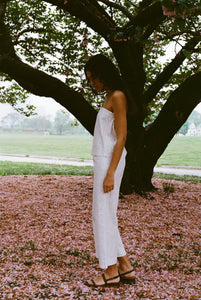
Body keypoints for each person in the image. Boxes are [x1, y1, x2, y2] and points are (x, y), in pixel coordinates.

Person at [84, 54, 135, 287]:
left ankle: (111, 270)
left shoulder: (118, 96)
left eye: (94, 78)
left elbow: (122, 135)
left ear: (104, 74)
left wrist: (110, 172)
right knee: (106, 214)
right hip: (104, 160)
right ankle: (124, 265)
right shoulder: (110, 96)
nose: (93, 83)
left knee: (102, 215)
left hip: (109, 161)